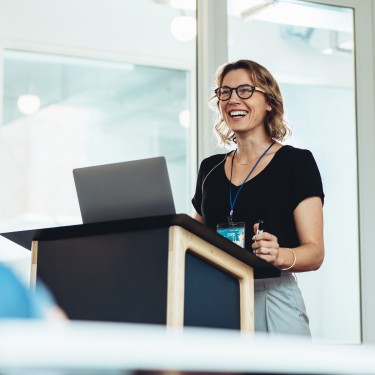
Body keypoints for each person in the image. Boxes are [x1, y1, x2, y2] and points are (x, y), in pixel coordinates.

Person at [192, 59, 324, 336]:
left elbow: (314, 253)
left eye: (245, 90)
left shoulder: (296, 162)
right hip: (217, 298)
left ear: (269, 102)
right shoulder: (210, 169)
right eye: (224, 92)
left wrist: (279, 254)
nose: (232, 99)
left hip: (272, 296)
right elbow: (195, 241)